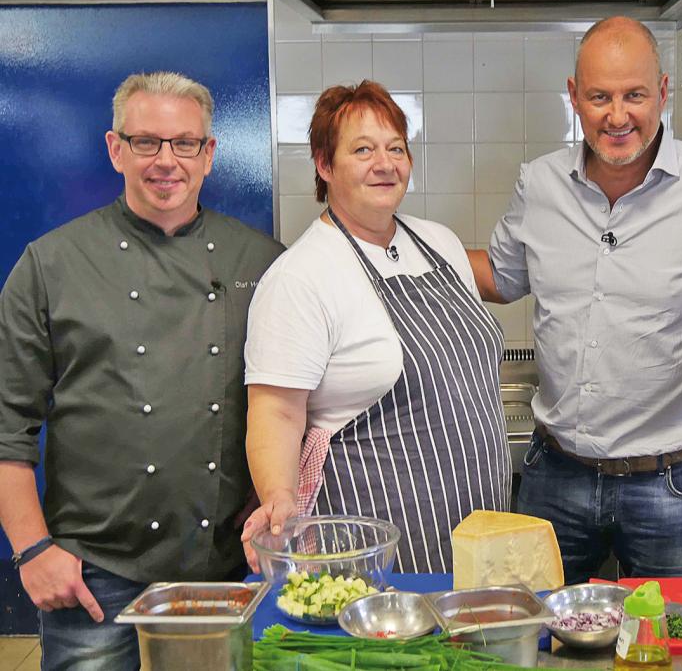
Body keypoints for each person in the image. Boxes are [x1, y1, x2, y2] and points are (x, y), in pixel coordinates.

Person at [466, 16, 682, 584]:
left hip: (676, 487)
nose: (617, 117)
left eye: (634, 95)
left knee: (674, 650)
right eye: (599, 97)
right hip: (556, 478)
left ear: (662, 92)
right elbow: (501, 278)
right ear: (574, 98)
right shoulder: (538, 185)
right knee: (533, 643)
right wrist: (395, 241)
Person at [0, 71, 284, 670]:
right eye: (146, 142)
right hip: (95, 577)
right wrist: (31, 550)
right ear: (115, 149)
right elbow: (7, 424)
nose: (166, 161)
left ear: (208, 155)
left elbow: (289, 407)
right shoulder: (50, 264)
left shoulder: (260, 262)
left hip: (223, 572)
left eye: (184, 143)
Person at [240, 80, 511, 575]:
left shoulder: (439, 242)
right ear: (325, 165)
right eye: (362, 150)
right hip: (371, 540)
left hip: (479, 524)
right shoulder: (300, 277)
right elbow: (275, 413)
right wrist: (278, 499)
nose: (385, 164)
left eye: (396, 149)